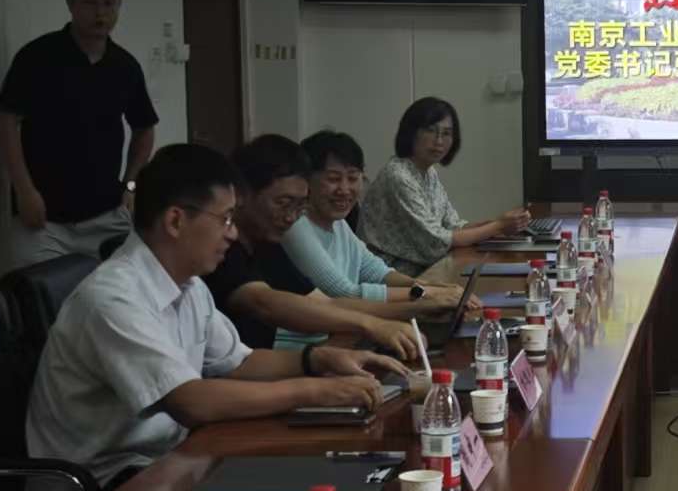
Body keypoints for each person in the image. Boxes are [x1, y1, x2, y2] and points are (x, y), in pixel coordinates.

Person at [27, 143, 405, 487]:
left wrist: (318, 360)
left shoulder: (189, 285)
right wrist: (314, 390)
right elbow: (191, 402)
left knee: (336, 479)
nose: (232, 234)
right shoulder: (113, 299)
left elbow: (239, 363)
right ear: (176, 221)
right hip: (105, 487)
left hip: (171, 461)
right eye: (224, 219)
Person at [205, 136, 458, 356]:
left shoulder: (267, 242)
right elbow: (265, 303)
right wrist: (378, 322)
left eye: (299, 206)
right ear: (243, 195)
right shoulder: (224, 251)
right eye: (283, 203)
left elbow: (324, 303)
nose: (291, 217)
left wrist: (420, 302)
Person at [0, 0, 158, 267]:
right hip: (42, 218)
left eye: (109, 3)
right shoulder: (37, 56)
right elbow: (6, 121)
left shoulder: (125, 66)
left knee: (125, 287)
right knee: (39, 293)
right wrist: (24, 190)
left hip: (107, 215)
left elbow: (144, 128)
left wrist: (130, 185)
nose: (100, 12)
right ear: (70, 3)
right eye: (90, 2)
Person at [284, 129, 480, 319]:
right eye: (333, 179)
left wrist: (430, 287)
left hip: (342, 326)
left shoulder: (338, 223)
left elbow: (376, 271)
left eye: (352, 178)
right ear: (307, 181)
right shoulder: (296, 226)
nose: (344, 189)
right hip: (317, 337)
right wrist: (425, 294)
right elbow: (345, 294)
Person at [358, 97, 531, 274]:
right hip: (389, 279)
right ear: (411, 132)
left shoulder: (428, 172)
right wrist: (499, 226)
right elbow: (437, 241)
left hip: (424, 272)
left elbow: (453, 226)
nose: (439, 141)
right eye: (431, 131)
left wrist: (500, 224)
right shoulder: (398, 175)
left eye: (447, 133)